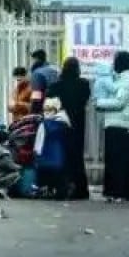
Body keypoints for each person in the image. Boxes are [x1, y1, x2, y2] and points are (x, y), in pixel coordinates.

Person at [95, 51, 129, 203]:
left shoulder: (127, 80)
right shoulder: (121, 79)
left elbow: (119, 102)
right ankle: (120, 192)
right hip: (119, 125)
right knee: (118, 162)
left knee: (120, 162)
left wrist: (99, 103)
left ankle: (122, 192)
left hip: (123, 126)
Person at [45, 57, 91, 200]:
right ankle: (81, 190)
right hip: (78, 125)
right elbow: (85, 99)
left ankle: (62, 189)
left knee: (62, 157)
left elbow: (49, 102)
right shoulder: (84, 84)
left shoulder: (56, 85)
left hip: (61, 124)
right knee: (77, 158)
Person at [33, 97, 73, 199]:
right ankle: (61, 192)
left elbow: (39, 142)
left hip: (45, 158)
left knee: (43, 175)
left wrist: (36, 154)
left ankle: (44, 190)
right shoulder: (65, 124)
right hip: (61, 158)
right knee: (60, 178)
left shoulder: (44, 124)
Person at [29, 49, 59, 116]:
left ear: (36, 59)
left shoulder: (37, 73)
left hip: (45, 109)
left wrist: (32, 114)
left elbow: (36, 96)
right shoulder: (55, 70)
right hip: (59, 108)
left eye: (32, 60)